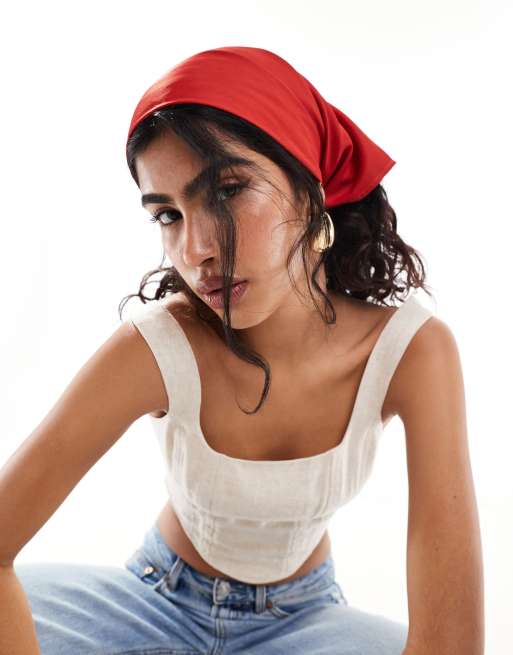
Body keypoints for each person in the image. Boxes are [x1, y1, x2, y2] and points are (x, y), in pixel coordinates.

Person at [0, 47, 484, 655]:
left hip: (305, 625)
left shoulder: (412, 351)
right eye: (168, 215)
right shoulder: (156, 347)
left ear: (310, 188)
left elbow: (452, 643)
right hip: (149, 607)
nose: (196, 249)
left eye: (228, 190)